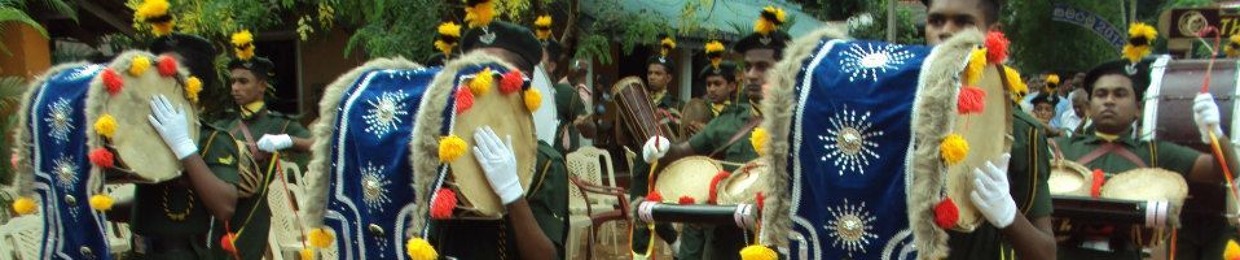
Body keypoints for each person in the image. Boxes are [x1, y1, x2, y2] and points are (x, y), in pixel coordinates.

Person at [638, 6, 789, 259]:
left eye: (763, 66)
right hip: (725, 240)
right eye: (748, 67)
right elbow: (682, 153)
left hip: (780, 239)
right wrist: (662, 147)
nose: (751, 75)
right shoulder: (731, 121)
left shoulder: (804, 122)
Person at [1054, 57, 1239, 259]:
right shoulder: (1061, 149)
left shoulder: (1155, 153)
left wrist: (1214, 132)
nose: (1109, 100)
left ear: (1138, 109)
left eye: (1120, 94)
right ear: (1089, 107)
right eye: (1101, 94)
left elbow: (1226, 170)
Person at [922, 0, 1057, 259]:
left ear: (991, 33)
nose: (946, 31)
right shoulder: (893, 111)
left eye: (964, 22)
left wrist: (1007, 214)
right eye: (936, 21)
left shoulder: (1020, 133)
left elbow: (1046, 254)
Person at [426, 15, 560, 259]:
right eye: (476, 69)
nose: (483, 79)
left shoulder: (545, 162)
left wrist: (511, 192)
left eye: (495, 71)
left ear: (523, 81)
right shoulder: (449, 148)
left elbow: (546, 256)